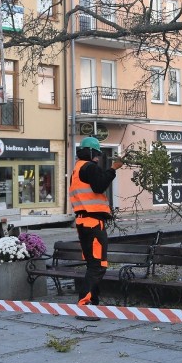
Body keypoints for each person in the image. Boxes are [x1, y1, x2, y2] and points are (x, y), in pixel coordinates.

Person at [68, 136, 123, 321]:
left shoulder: (77, 169)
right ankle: (84, 305)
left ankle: (94, 302)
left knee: (93, 265)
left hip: (83, 223)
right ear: (90, 153)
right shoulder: (89, 167)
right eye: (97, 154)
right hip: (92, 223)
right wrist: (113, 169)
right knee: (98, 266)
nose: (98, 158)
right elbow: (100, 186)